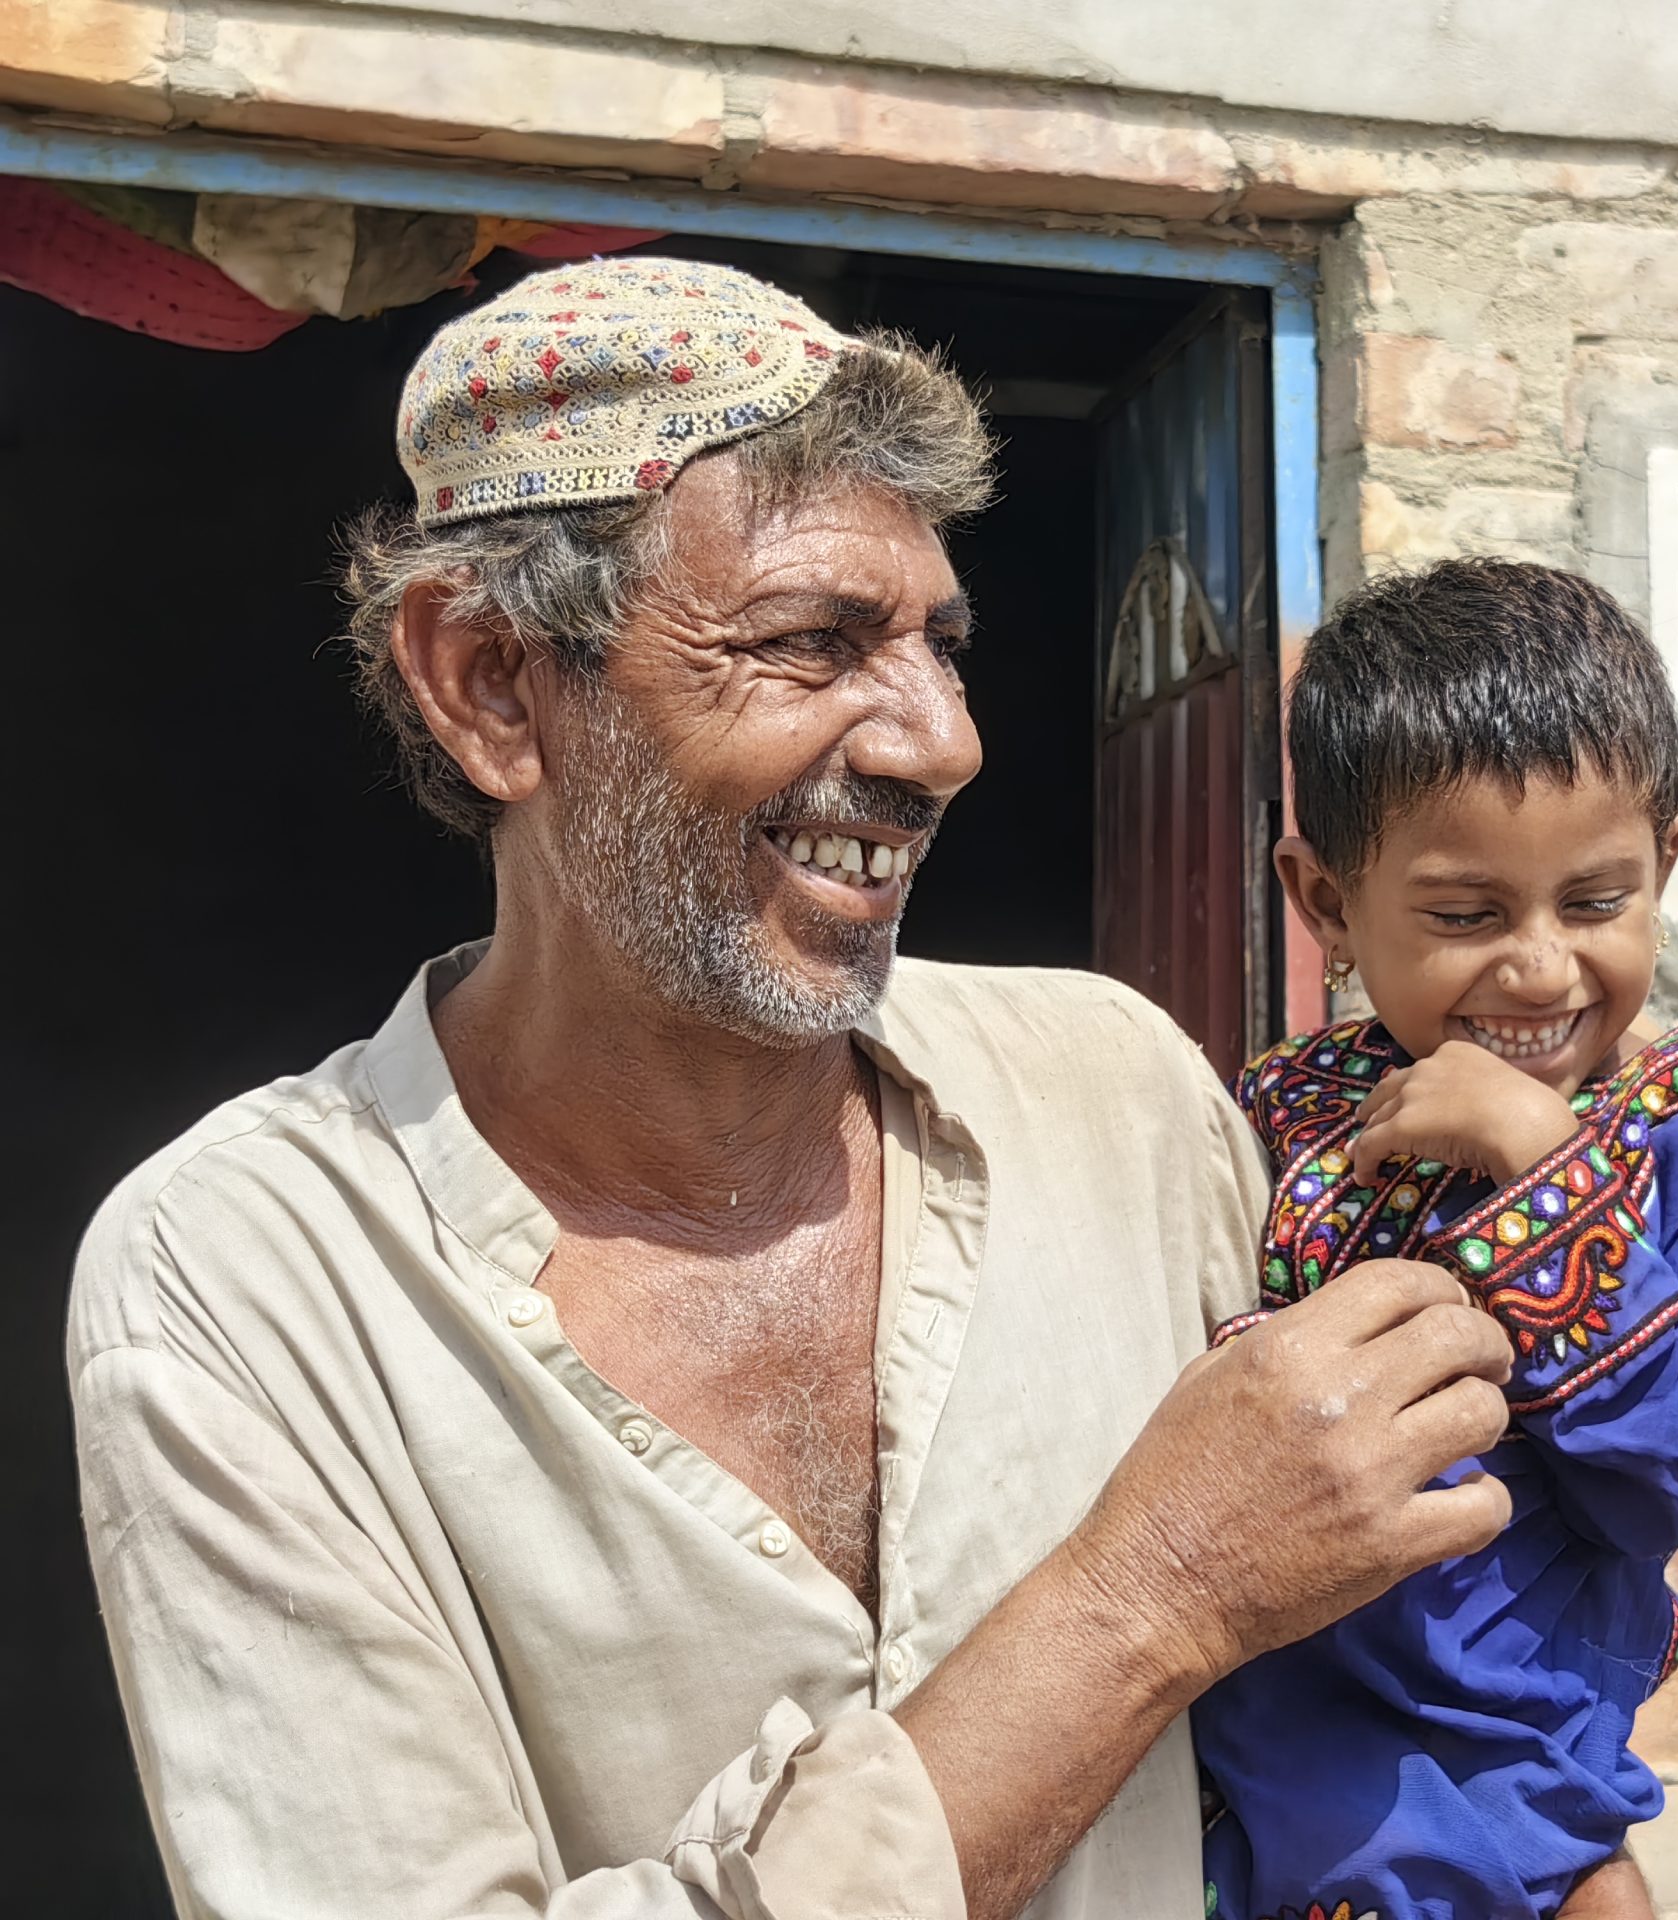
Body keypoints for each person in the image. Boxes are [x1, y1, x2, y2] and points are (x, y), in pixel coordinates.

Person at [66, 256, 1520, 1920]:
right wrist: (1151, 1596)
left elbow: (1435, 1675)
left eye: (938, 645)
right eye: (810, 641)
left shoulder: (1115, 1092)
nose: (941, 742)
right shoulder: (241, 1279)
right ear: (489, 682)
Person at [1191, 560, 1678, 1920]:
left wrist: (1544, 1160)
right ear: (1326, 903)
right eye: (1467, 916)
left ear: (1666, 862)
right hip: (1239, 1742)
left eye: (1593, 903)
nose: (1539, 967)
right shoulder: (1288, 1104)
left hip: (1495, 1788)